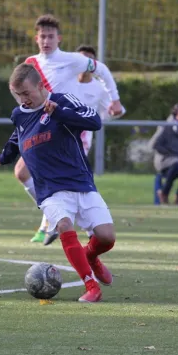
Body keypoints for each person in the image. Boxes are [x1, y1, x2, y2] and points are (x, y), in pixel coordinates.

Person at [0, 63, 116, 303]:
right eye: (17, 94)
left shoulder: (63, 100)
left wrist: (58, 113)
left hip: (80, 182)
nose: (23, 99)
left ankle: (90, 255)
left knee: (106, 238)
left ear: (41, 86)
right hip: (50, 190)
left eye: (26, 93)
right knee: (63, 224)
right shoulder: (19, 113)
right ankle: (91, 286)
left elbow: (94, 121)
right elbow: (17, 135)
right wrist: (6, 154)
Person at [14, 15, 123, 244]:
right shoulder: (31, 63)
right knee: (22, 173)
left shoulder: (72, 60)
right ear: (36, 38)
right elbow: (23, 92)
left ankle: (90, 229)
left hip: (68, 130)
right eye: (42, 36)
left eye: (50, 36)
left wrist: (114, 99)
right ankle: (54, 215)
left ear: (59, 38)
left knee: (76, 183)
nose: (46, 40)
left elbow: (101, 68)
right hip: (42, 129)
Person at [42, 44, 127, 245]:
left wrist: (115, 112)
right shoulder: (67, 81)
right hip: (57, 134)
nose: (84, 64)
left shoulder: (98, 87)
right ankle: (57, 219)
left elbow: (113, 110)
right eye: (82, 58)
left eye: (89, 59)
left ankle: (76, 223)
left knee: (73, 177)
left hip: (81, 138)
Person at [152, 103, 178, 205]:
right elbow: (155, 144)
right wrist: (170, 152)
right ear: (175, 114)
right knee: (177, 164)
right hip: (166, 159)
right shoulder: (167, 127)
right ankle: (164, 194)